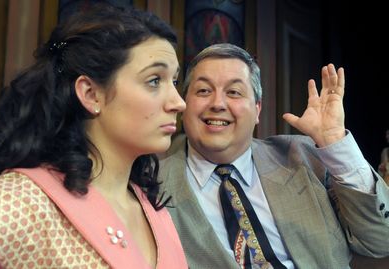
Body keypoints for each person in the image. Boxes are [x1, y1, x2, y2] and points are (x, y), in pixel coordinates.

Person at [0, 4, 188, 269]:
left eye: (174, 81)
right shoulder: (18, 204)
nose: (178, 103)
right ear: (91, 94)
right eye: (154, 80)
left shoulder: (152, 208)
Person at [159, 43, 389, 269]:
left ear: (257, 109)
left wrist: (336, 142)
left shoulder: (304, 158)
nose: (218, 103)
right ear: (184, 103)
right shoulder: (150, 185)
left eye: (234, 92)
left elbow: (380, 241)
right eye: (204, 91)